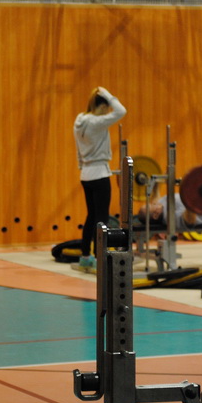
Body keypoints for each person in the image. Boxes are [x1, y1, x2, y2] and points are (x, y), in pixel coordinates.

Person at [74, 86, 126, 269]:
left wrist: (82, 167)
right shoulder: (97, 122)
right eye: (106, 107)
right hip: (100, 174)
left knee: (91, 216)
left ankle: (85, 256)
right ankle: (99, 257)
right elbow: (121, 111)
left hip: (85, 174)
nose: (107, 112)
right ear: (103, 106)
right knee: (102, 218)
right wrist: (108, 95)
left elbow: (78, 150)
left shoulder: (79, 120)